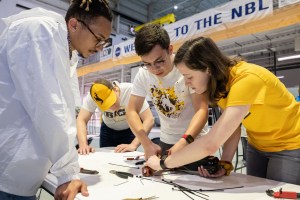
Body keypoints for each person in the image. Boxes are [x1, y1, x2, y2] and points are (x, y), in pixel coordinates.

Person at [145, 37, 300, 185]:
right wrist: (225, 163)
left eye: (189, 76)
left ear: (208, 69)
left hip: (289, 144)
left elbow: (210, 144)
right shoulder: (221, 84)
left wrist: (163, 164)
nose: (186, 83)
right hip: (257, 145)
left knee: (280, 194)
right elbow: (233, 127)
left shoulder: (246, 79)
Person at [0, 0, 113, 199]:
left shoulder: (68, 52)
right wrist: (67, 172)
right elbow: (48, 106)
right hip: (7, 174)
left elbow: (66, 110)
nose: (100, 48)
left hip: (25, 177)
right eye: (99, 39)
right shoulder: (40, 30)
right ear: (74, 24)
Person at [126, 24, 209, 159]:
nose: (154, 69)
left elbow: (202, 110)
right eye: (147, 64)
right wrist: (146, 143)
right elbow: (131, 111)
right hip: (165, 141)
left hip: (194, 139)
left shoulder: (185, 67)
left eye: (159, 61)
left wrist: (184, 141)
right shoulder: (143, 75)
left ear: (170, 49)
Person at [76, 78, 154, 154]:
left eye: (112, 101)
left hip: (129, 130)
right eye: (107, 105)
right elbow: (81, 119)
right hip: (107, 129)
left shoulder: (130, 90)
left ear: (115, 89)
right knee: (106, 159)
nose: (112, 107)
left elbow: (149, 119)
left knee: (127, 158)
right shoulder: (94, 97)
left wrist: (134, 144)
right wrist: (83, 145)